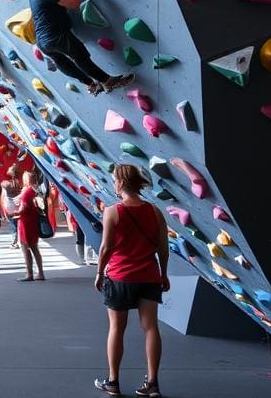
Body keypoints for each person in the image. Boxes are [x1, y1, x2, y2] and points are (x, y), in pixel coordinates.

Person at [93, 164, 170, 398]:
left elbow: (106, 247)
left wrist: (99, 272)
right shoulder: (155, 211)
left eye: (114, 180)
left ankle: (113, 381)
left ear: (120, 183)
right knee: (150, 328)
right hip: (148, 275)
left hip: (120, 276)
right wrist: (163, 274)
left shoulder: (113, 211)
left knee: (117, 328)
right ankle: (153, 383)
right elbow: (163, 248)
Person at [29, 0, 133, 96]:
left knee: (63, 62)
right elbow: (74, 2)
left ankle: (90, 84)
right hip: (56, 35)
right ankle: (108, 82)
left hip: (42, 42)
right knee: (80, 56)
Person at [9, 169, 46, 282]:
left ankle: (29, 273)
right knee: (34, 247)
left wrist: (13, 213)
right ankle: (40, 272)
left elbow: (23, 208)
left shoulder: (26, 192)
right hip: (33, 220)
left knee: (25, 247)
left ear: (26, 180)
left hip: (26, 222)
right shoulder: (34, 190)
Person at [1, 165, 23, 249]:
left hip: (9, 206)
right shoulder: (20, 182)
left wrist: (3, 211)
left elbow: (2, 197)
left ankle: (14, 242)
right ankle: (22, 240)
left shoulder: (5, 183)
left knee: (13, 225)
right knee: (19, 224)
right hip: (19, 205)